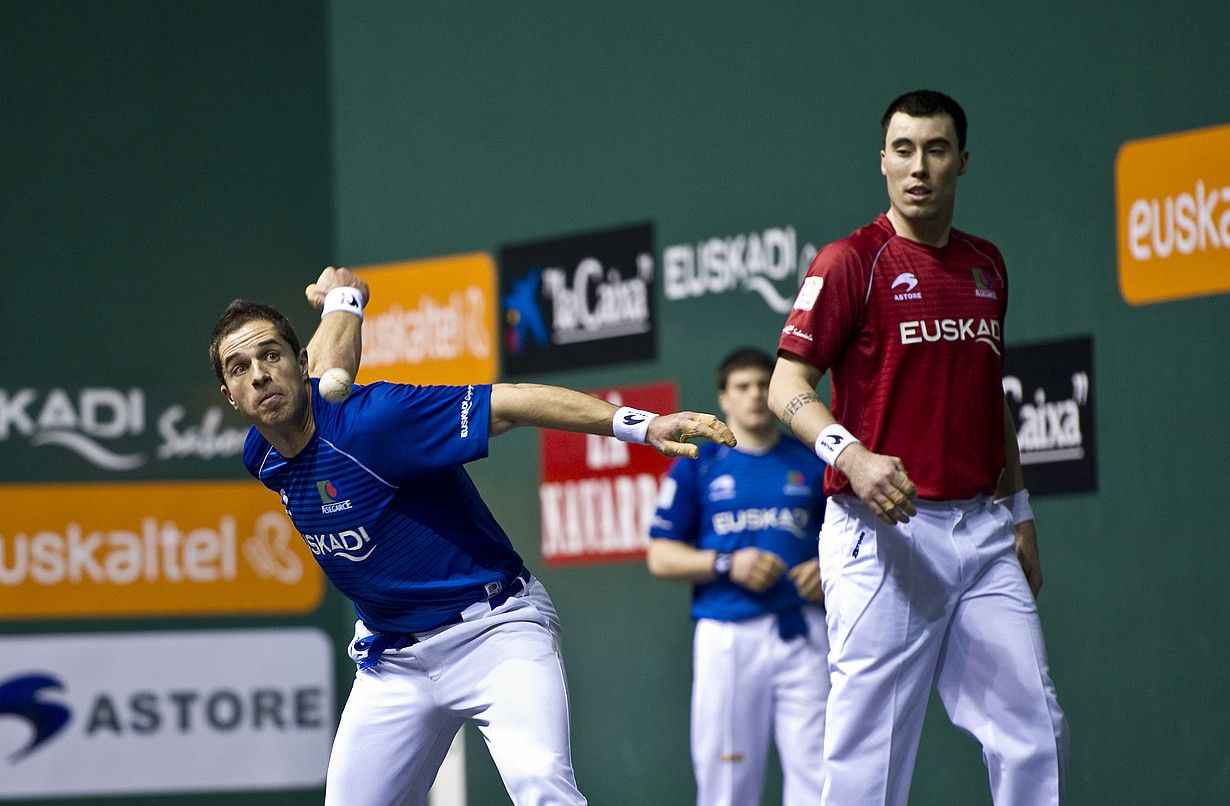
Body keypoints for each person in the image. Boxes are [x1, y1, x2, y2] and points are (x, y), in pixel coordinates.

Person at [209, 267, 736, 806]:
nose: (259, 375)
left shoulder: (376, 421)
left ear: (298, 365)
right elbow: (327, 363)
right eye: (240, 368)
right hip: (394, 662)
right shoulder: (264, 454)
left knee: (540, 784)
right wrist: (344, 300)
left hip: (494, 630)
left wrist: (640, 425)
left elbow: (508, 404)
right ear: (230, 395)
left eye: (272, 356)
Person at [767, 90, 1068, 806]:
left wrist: (1019, 508)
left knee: (1034, 731)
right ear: (882, 162)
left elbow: (989, 394)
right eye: (903, 150)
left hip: (983, 533)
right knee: (869, 761)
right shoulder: (851, 261)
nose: (919, 167)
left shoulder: (986, 266)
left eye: (936, 150)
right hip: (882, 535)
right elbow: (786, 386)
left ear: (962, 161)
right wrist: (852, 456)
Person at [647, 347, 830, 806]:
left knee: (821, 776)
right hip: (727, 634)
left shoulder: (813, 463)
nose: (754, 395)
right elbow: (661, 556)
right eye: (741, 387)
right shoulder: (697, 465)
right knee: (726, 781)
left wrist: (830, 572)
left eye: (763, 386)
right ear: (723, 400)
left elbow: (852, 542)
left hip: (804, 631)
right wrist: (727, 564)